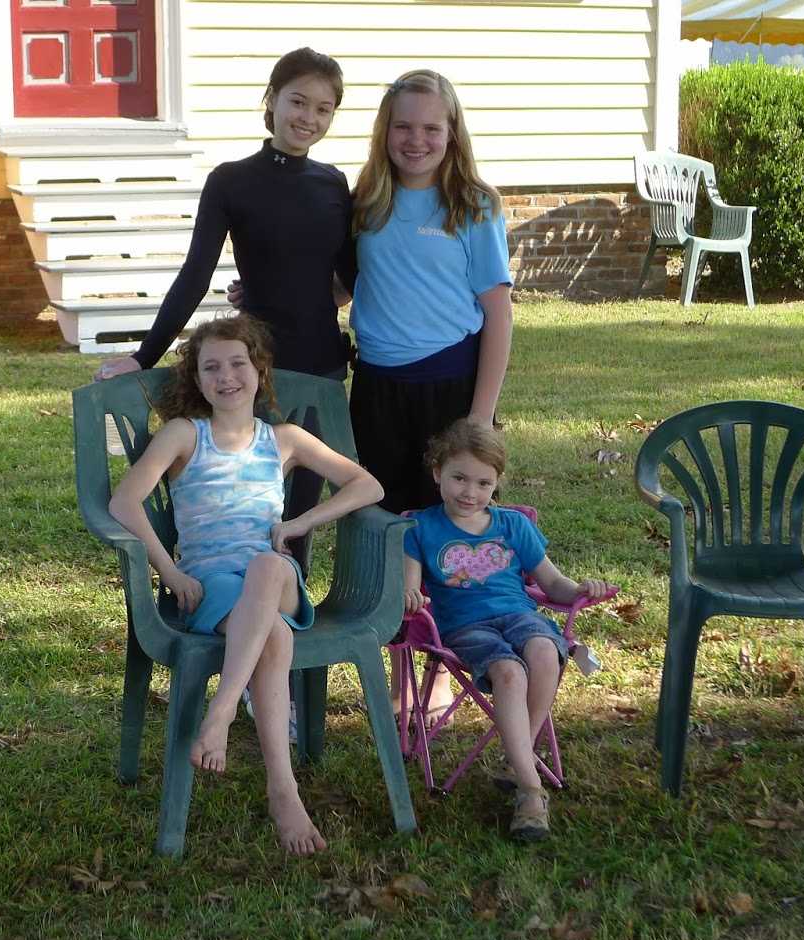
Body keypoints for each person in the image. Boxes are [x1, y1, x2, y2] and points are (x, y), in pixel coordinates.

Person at [107, 313, 383, 854]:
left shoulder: (284, 440)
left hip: (276, 579)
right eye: (211, 367)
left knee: (266, 566)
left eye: (238, 363)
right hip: (209, 587)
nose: (226, 376)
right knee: (273, 637)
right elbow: (124, 502)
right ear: (196, 379)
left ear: (259, 371)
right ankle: (283, 790)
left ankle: (223, 709)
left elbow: (366, 486)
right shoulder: (185, 434)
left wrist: (301, 523)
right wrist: (170, 571)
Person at [95, 49, 356, 572]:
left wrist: (316, 293)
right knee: (243, 511)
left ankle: (291, 614)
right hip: (252, 371)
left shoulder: (333, 183)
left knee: (296, 515)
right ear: (272, 100)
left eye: (323, 109)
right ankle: (221, 603)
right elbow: (195, 274)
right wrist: (144, 356)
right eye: (298, 101)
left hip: (320, 371)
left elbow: (350, 271)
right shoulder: (231, 180)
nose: (308, 117)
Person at [403, 420, 610, 842]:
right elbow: (409, 587)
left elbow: (553, 584)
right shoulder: (419, 529)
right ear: (438, 472)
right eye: (459, 478)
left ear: (496, 483)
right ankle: (531, 789)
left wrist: (580, 589)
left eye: (483, 483)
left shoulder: (513, 525)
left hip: (521, 615)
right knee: (510, 673)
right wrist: (408, 596)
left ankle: (518, 762)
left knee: (545, 652)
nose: (470, 492)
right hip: (465, 627)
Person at [348, 69, 513, 516]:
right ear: (385, 131)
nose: (415, 139)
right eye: (402, 126)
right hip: (376, 390)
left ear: (452, 133)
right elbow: (342, 286)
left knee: (457, 516)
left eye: (431, 128)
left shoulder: (474, 205)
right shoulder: (365, 201)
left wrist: (480, 416)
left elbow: (499, 315)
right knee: (379, 517)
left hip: (451, 389)